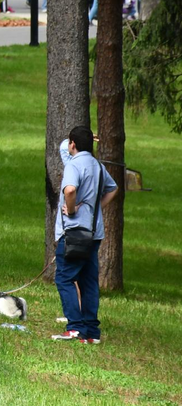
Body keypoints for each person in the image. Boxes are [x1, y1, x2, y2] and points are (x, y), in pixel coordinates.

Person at [52, 126, 118, 344]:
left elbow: (70, 190)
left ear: (73, 144)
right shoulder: (98, 166)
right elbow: (113, 188)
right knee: (89, 281)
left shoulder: (73, 165)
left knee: (64, 277)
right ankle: (91, 332)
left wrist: (71, 210)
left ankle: (74, 328)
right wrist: (95, 207)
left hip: (73, 233)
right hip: (93, 233)